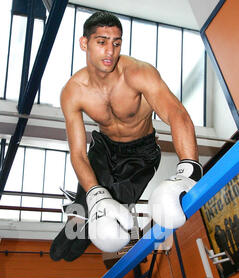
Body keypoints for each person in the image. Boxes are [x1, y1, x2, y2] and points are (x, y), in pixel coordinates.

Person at [50, 10, 202, 262]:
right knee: (89, 203)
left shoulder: (138, 73)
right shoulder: (73, 91)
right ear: (84, 43)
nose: (110, 51)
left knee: (112, 217)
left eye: (116, 43)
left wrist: (189, 168)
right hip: (104, 147)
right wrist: (95, 194)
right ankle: (79, 217)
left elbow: (177, 114)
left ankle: (88, 223)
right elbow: (77, 153)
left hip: (141, 155)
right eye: (102, 42)